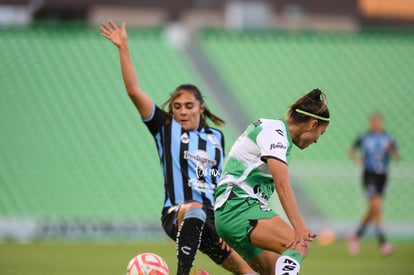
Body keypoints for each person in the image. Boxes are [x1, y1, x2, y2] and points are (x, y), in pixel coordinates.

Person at [99, 20, 256, 275]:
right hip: (178, 214)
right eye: (177, 106)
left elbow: (215, 180)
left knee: (250, 272)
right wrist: (123, 47)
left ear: (201, 108)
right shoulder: (165, 127)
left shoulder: (216, 137)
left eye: (188, 106)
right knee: (194, 209)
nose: (182, 111)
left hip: (213, 220)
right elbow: (134, 91)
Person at [214, 89, 330, 275]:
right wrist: (299, 228)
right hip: (238, 206)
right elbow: (282, 185)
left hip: (230, 212)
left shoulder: (274, 132)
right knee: (298, 244)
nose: (317, 140)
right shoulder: (275, 133)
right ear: (312, 124)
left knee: (274, 270)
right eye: (321, 133)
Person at [348, 112, 400, 256]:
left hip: (382, 176)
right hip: (369, 175)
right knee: (376, 206)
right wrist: (358, 159)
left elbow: (397, 155)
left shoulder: (388, 138)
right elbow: (352, 150)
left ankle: (356, 235)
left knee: (374, 209)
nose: (376, 124)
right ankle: (383, 243)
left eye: (378, 122)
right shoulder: (365, 137)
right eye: (373, 122)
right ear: (370, 123)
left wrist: (391, 150)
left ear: (381, 123)